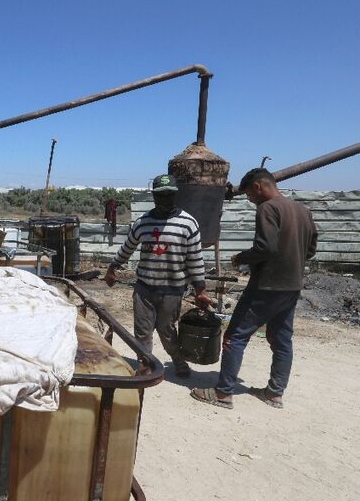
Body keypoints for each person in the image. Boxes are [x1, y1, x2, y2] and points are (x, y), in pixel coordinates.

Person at [191, 168, 317, 410]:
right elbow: (311, 250)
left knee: (235, 335)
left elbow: (265, 247)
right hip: (291, 286)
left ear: (258, 187)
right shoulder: (302, 210)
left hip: (266, 286)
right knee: (281, 339)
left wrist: (242, 257)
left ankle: (223, 393)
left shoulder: (267, 208)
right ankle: (274, 392)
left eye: (249, 195)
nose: (250, 200)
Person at [105, 174, 214, 378]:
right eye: (160, 195)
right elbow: (127, 248)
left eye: (169, 195)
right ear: (154, 196)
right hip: (144, 289)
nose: (165, 199)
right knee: (142, 332)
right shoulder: (143, 222)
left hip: (172, 290)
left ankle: (178, 360)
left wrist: (201, 290)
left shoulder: (188, 223)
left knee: (167, 331)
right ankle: (145, 364)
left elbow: (195, 260)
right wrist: (112, 268)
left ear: (175, 196)